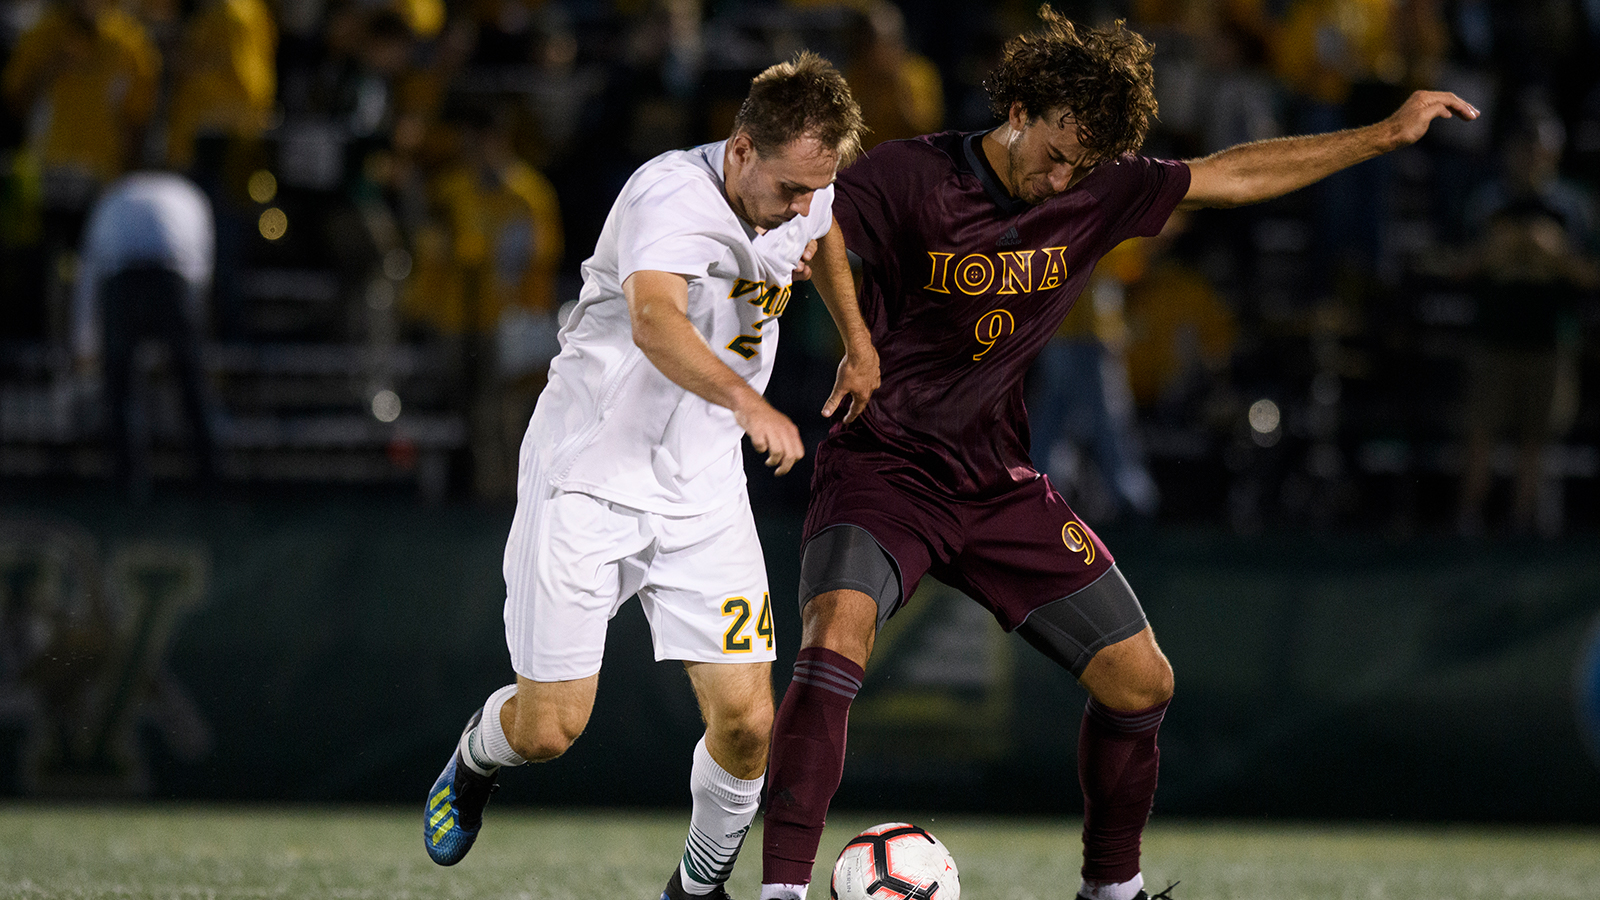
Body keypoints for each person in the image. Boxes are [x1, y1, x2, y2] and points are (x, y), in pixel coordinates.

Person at [757, 8, 1476, 900]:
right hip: (884, 470)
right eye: (1056, 151)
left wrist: (1383, 135)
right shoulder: (914, 174)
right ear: (1017, 110)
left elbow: (1232, 176)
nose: (1064, 176)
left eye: (1084, 164)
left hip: (995, 484)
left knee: (1141, 684)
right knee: (834, 636)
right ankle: (783, 889)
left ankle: (1113, 892)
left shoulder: (1096, 188)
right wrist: (856, 340)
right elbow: (819, 218)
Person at [422, 52, 879, 900]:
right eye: (791, 189)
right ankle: (479, 754)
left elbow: (829, 232)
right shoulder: (669, 194)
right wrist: (748, 403)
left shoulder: (803, 189)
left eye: (819, 186)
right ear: (741, 149)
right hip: (589, 478)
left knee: (748, 726)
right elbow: (655, 320)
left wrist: (857, 340)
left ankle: (696, 890)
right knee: (551, 727)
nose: (804, 206)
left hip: (703, 493)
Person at [72, 171, 219, 498]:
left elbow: (90, 271)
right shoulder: (189, 194)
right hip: (169, 281)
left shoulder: (113, 196)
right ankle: (209, 475)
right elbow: (201, 265)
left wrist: (83, 341)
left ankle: (129, 481)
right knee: (190, 382)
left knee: (121, 384)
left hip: (125, 281)